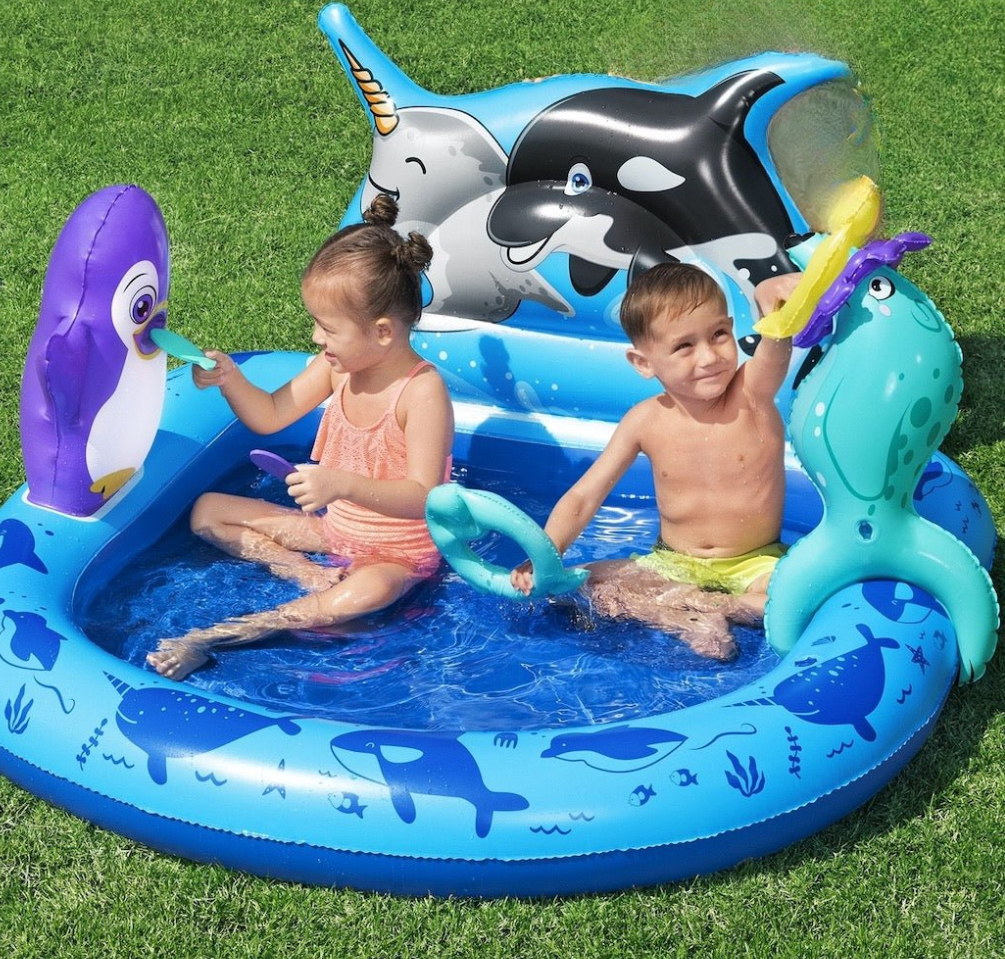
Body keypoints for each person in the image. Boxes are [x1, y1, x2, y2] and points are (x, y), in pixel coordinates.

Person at [147, 195, 454, 680]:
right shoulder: (338, 368)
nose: (315, 338)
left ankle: (213, 638)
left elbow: (425, 499)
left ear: (381, 332)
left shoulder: (421, 392)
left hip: (398, 555)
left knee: (367, 592)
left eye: (327, 328)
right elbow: (270, 415)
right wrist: (229, 379)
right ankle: (307, 574)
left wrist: (342, 484)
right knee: (208, 511)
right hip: (336, 533)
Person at [511, 261, 801, 660]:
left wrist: (774, 308)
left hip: (755, 564)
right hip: (672, 564)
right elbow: (584, 497)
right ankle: (692, 616)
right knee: (582, 583)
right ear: (643, 363)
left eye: (718, 334)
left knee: (786, 595)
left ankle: (700, 609)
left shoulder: (751, 394)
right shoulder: (644, 421)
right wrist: (547, 554)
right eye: (684, 346)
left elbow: (775, 351)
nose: (709, 357)